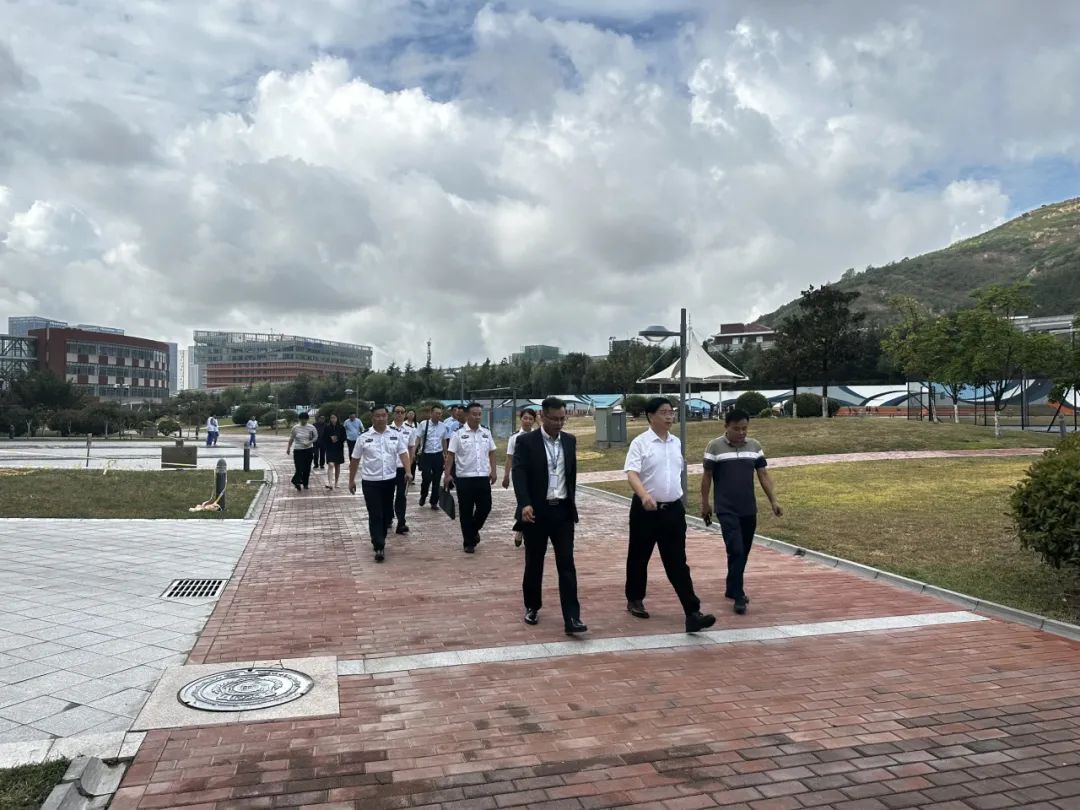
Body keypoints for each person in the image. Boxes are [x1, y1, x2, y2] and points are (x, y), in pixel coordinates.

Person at [623, 397, 716, 633]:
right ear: (650, 416)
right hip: (645, 510)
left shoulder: (676, 442)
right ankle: (634, 599)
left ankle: (692, 613)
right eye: (664, 412)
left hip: (673, 511)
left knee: (677, 562)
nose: (669, 416)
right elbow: (632, 473)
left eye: (671, 412)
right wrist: (644, 495)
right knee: (639, 556)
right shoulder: (640, 443)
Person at [513, 397, 586, 635]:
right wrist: (524, 503)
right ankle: (532, 606)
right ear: (542, 416)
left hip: (562, 511)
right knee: (534, 561)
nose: (559, 423)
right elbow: (519, 474)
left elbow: (571, 475)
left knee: (567, 564)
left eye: (562, 418)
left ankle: (572, 617)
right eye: (554, 419)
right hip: (536, 511)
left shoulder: (570, 441)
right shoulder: (526, 442)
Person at [701, 408, 783, 615]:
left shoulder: (754, 446)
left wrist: (773, 500)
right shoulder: (714, 446)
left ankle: (731, 587)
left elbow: (763, 474)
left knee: (742, 552)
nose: (741, 433)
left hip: (748, 508)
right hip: (725, 508)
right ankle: (738, 595)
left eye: (744, 428)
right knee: (736, 549)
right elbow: (707, 476)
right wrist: (705, 503)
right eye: (736, 429)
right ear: (726, 427)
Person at [348, 406, 411, 562]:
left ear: (387, 417)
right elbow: (355, 459)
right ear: (372, 418)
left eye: (383, 415)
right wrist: (351, 480)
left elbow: (403, 453)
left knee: (386, 513)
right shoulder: (364, 437)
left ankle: (380, 537)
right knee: (375, 513)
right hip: (370, 482)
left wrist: (408, 471)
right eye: (377, 416)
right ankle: (378, 545)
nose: (381, 418)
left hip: (389, 480)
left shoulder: (395, 435)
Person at [444, 402, 496, 554]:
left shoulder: (486, 432)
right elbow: (450, 455)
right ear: (467, 415)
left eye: (479, 414)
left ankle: (473, 530)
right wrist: (447, 474)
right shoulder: (458, 434)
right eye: (474, 414)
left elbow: (492, 452)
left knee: (485, 507)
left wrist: (493, 471)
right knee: (466, 510)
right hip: (464, 478)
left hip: (482, 477)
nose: (477, 417)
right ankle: (468, 542)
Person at [502, 408, 537, 547]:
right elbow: (509, 458)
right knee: (523, 501)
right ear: (520, 419)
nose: (527, 421)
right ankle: (520, 529)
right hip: (520, 475)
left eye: (531, 419)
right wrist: (506, 476)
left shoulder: (538, 436)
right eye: (525, 418)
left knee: (532, 502)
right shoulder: (514, 437)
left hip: (535, 475)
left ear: (534, 421)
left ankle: (522, 529)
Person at [387, 405, 415, 534]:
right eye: (397, 412)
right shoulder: (387, 429)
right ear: (393, 414)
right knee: (388, 495)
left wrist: (409, 466)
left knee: (401, 496)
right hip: (389, 468)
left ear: (405, 414)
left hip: (403, 468)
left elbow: (411, 448)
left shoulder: (410, 430)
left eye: (402, 412)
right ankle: (388, 517)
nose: (399, 414)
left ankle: (401, 522)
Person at [415, 405, 448, 510]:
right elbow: (418, 438)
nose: (439, 415)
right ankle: (423, 495)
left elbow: (444, 440)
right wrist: (414, 451)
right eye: (437, 413)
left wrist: (446, 455)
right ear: (431, 413)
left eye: (440, 413)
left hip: (438, 455)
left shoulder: (443, 426)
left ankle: (434, 502)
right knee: (426, 478)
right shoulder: (423, 424)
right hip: (426, 455)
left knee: (437, 480)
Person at [285, 412, 318, 491]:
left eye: (305, 419)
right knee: (299, 468)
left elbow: (316, 436)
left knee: (307, 468)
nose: (303, 421)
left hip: (308, 449)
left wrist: (310, 442)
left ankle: (305, 483)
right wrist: (288, 448)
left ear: (307, 419)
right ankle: (296, 482)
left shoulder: (311, 427)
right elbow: (291, 438)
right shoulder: (295, 428)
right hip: (298, 450)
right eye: (302, 419)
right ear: (299, 419)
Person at [322, 412, 347, 490]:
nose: (333, 419)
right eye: (331, 418)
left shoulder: (341, 427)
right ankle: (330, 483)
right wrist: (330, 439)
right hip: (330, 448)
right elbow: (324, 437)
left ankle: (336, 482)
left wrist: (337, 438)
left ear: (337, 418)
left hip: (338, 448)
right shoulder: (327, 427)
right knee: (331, 464)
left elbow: (344, 437)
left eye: (334, 418)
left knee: (337, 465)